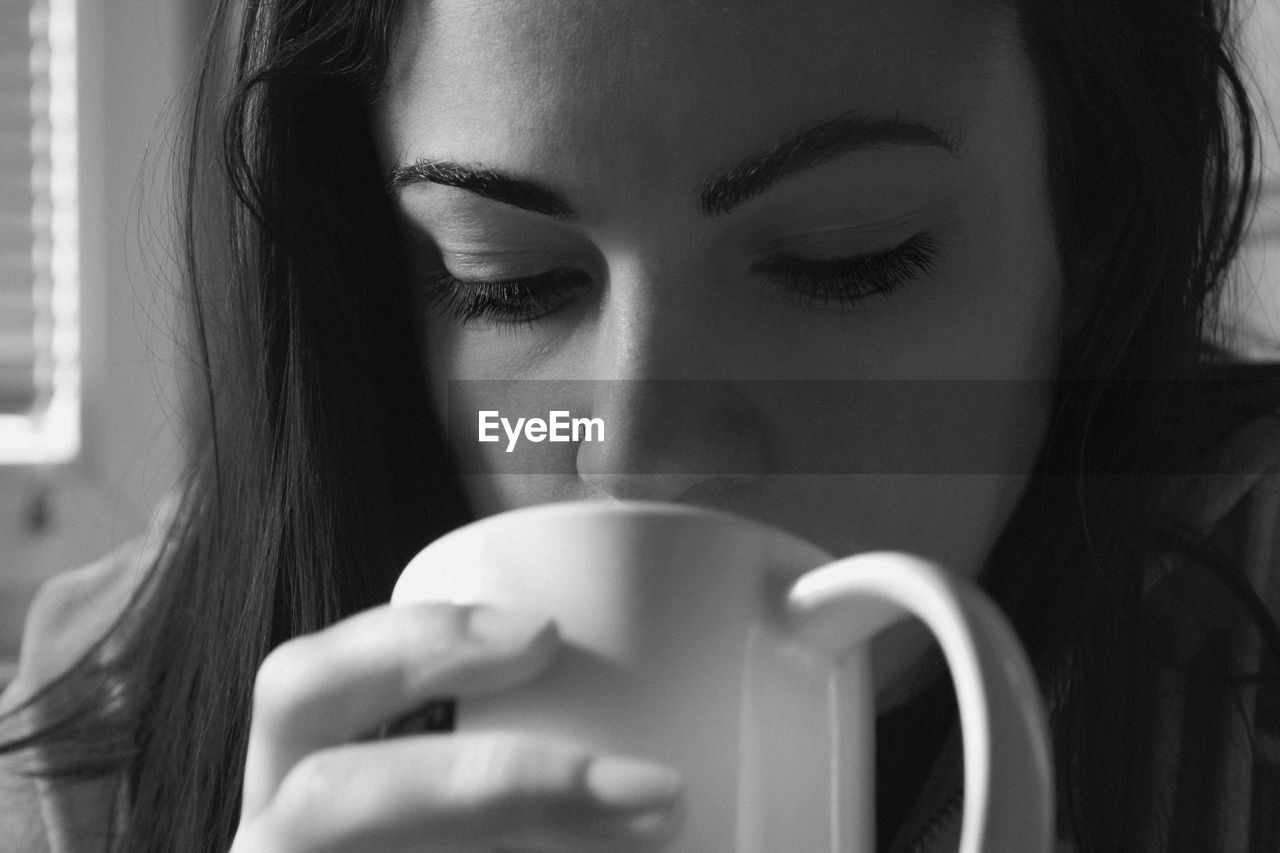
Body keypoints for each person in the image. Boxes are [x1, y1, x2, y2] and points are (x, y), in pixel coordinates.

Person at [2, 0, 1278, 850]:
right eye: (508, 281)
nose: (635, 449)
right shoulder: (113, 735)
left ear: (1094, 231)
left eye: (848, 259)